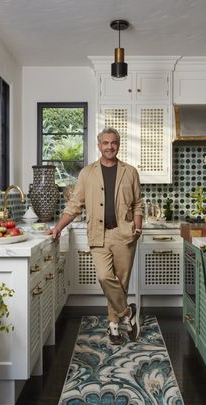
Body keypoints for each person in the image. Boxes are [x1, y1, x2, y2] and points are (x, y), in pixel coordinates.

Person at [48, 127, 144, 345]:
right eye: (105, 143)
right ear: (99, 145)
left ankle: (113, 326)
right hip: (98, 235)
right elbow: (74, 205)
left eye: (113, 143)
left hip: (124, 235)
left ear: (118, 145)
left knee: (120, 282)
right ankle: (128, 313)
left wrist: (137, 228)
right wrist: (58, 227)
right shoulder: (87, 173)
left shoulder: (130, 172)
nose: (110, 146)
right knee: (104, 277)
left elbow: (138, 203)